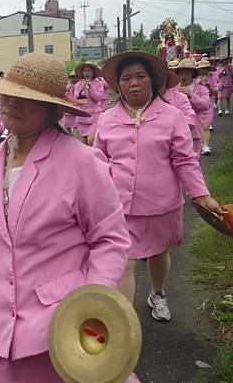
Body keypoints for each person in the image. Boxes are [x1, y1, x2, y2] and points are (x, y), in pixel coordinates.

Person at [0, 52, 131, 382]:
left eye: (26, 99)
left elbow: (110, 240)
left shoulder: (81, 163)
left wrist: (90, 310)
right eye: (8, 94)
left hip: (57, 328)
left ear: (54, 109)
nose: (12, 104)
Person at [94, 51, 222, 321]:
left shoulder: (172, 116)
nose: (134, 83)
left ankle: (158, 293)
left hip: (160, 204)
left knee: (158, 253)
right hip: (119, 207)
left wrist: (201, 194)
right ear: (118, 85)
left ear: (153, 80)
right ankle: (122, 329)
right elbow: (98, 161)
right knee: (124, 261)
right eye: (126, 78)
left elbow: (185, 160)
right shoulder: (106, 120)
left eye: (140, 76)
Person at [177, 58, 211, 158]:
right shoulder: (173, 89)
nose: (184, 76)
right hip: (176, 132)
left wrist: (191, 95)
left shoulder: (202, 89)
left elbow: (206, 105)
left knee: (194, 160)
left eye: (187, 72)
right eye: (181, 73)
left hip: (194, 132)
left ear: (193, 74)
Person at [73, 62, 105, 145]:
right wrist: (81, 90)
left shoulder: (99, 84)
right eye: (85, 71)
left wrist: (91, 88)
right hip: (82, 116)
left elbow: (97, 99)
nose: (87, 73)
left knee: (91, 141)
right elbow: (76, 101)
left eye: (89, 70)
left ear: (93, 72)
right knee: (84, 144)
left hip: (94, 117)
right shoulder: (78, 85)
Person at [196, 59, 217, 155]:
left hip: (208, 103)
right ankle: (199, 144)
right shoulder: (194, 78)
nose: (204, 70)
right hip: (196, 104)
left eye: (206, 68)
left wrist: (209, 88)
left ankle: (206, 146)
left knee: (206, 126)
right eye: (202, 68)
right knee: (198, 126)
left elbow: (216, 92)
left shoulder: (212, 77)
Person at [63, 70, 79, 134]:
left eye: (76, 77)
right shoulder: (68, 84)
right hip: (68, 105)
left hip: (76, 106)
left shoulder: (80, 85)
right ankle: (70, 133)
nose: (74, 78)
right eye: (73, 77)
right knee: (67, 124)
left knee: (76, 124)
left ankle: (74, 136)